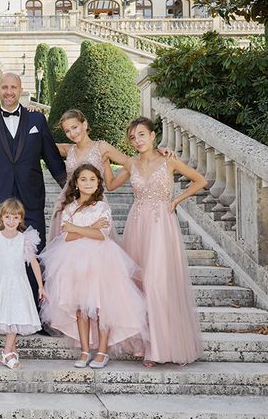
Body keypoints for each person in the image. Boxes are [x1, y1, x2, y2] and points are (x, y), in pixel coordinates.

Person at [106, 116, 206, 367]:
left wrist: (175, 200)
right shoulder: (131, 164)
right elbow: (110, 185)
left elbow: (200, 181)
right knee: (140, 284)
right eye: (132, 137)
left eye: (141, 134)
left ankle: (165, 346)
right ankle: (147, 345)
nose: (137, 140)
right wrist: (103, 158)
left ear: (152, 135)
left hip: (161, 227)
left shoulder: (168, 160)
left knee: (158, 283)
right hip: (137, 225)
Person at [0, 72, 66, 312]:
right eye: (4, 87)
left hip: (30, 197)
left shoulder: (37, 121)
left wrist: (70, 188)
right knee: (0, 255)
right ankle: (0, 309)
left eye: (13, 87)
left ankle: (35, 310)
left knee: (34, 252)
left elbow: (52, 158)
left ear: (21, 89)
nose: (9, 91)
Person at [39, 164, 149, 369]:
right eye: (83, 179)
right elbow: (68, 237)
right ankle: (83, 349)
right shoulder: (69, 207)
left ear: (98, 182)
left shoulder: (101, 207)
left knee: (101, 307)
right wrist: (87, 228)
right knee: (81, 307)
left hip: (102, 260)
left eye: (92, 179)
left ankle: (102, 351)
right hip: (73, 262)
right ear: (76, 183)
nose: (88, 183)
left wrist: (77, 228)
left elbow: (102, 234)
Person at [47, 109, 175, 242]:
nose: (72, 133)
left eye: (75, 127)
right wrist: (31, 112)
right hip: (68, 204)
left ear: (84, 124)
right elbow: (39, 142)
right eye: (67, 131)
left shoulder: (101, 147)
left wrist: (155, 151)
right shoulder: (67, 150)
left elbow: (132, 163)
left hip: (94, 206)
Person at [0, 198, 45, 370]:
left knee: (16, 316)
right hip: (2, 283)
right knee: (9, 316)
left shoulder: (24, 239)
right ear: (1, 218)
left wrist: (41, 286)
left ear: (21, 219)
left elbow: (34, 263)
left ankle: (7, 351)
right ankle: (10, 351)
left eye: (15, 218)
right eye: (8, 217)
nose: (11, 221)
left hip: (19, 283)